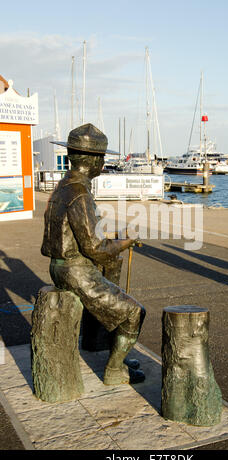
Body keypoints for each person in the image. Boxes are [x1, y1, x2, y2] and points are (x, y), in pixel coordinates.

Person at [41, 123, 146, 385]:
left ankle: (98, 344)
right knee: (134, 312)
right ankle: (114, 370)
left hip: (62, 266)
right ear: (92, 161)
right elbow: (96, 251)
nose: (103, 163)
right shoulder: (80, 194)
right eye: (102, 158)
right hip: (75, 271)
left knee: (112, 273)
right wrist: (126, 240)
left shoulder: (64, 186)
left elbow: (82, 237)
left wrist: (115, 241)